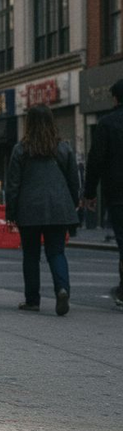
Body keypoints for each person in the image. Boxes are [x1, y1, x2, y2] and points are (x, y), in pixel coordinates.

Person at [6, 105, 80, 316]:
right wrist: (72, 204)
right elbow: (73, 181)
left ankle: (32, 300)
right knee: (56, 252)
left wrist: (11, 211)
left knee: (30, 255)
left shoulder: (21, 149)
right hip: (59, 208)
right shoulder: (63, 148)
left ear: (28, 123)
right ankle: (62, 289)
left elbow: (13, 184)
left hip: (28, 210)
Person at [83, 78, 123, 305]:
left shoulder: (107, 124)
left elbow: (96, 160)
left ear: (115, 98)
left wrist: (90, 192)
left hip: (118, 193)